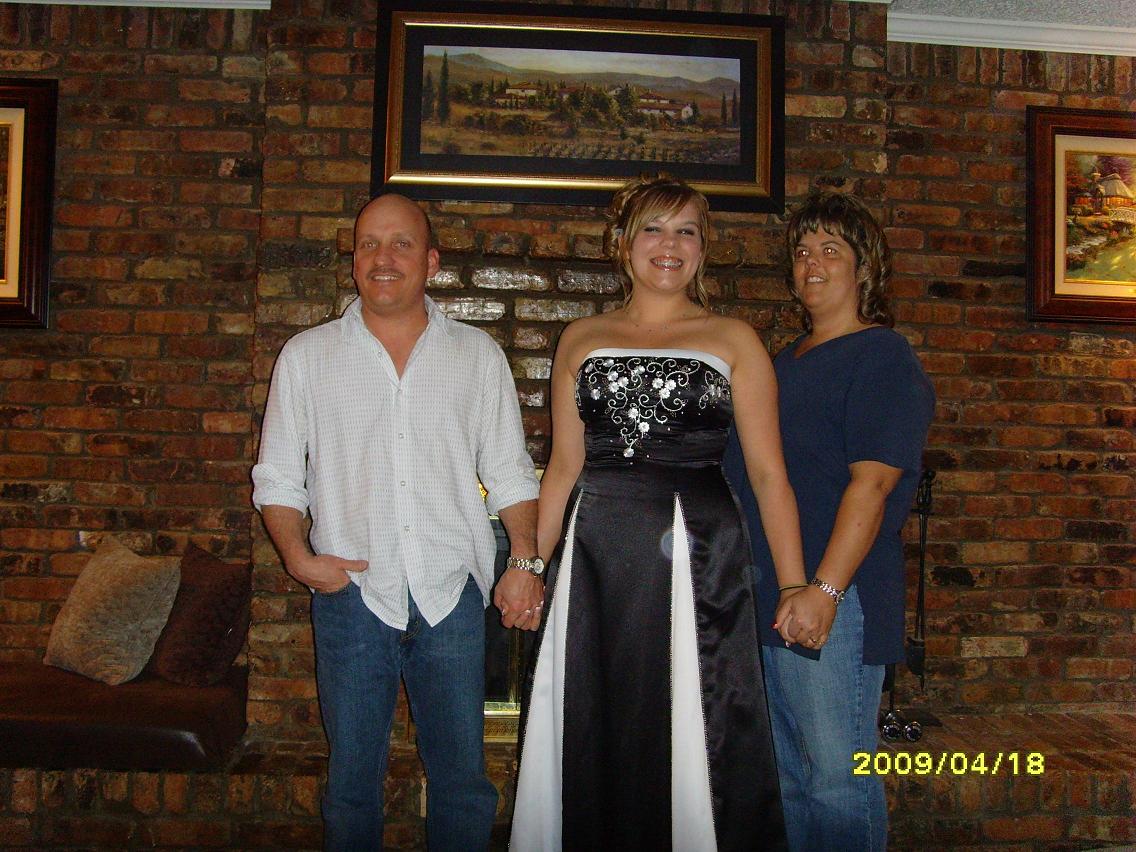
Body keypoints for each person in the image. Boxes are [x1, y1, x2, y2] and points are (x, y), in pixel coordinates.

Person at [510, 174, 799, 850]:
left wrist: (793, 585)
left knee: (696, 715)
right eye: (653, 228)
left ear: (703, 248)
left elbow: (768, 474)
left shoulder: (734, 339)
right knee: (593, 710)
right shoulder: (580, 337)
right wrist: (529, 566)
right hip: (596, 554)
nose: (669, 244)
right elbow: (563, 467)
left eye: (686, 231)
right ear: (623, 243)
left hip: (698, 555)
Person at [252, 193, 544, 851]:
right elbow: (277, 477)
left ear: (431, 261)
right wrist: (299, 560)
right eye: (368, 244)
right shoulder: (305, 356)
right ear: (353, 259)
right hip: (351, 595)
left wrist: (523, 561)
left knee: (462, 783)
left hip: (453, 595)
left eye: (401, 243)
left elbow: (510, 471)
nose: (383, 258)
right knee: (352, 785)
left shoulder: (477, 355)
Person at [723, 191, 935, 851]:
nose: (811, 263)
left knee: (838, 780)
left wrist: (826, 590)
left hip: (835, 597)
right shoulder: (783, 362)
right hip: (770, 591)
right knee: (789, 780)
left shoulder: (882, 356)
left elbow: (873, 485)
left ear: (864, 268)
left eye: (830, 250)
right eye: (802, 251)